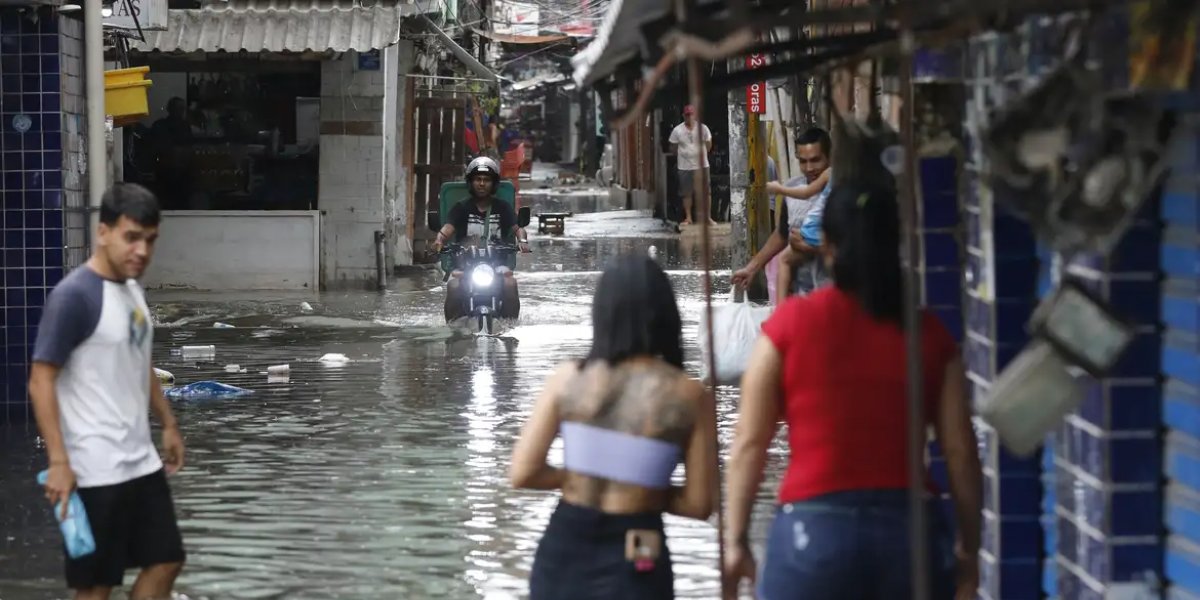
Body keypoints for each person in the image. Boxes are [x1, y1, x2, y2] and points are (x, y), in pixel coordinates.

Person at [720, 183, 983, 600]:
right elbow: (961, 452)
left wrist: (734, 541)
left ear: (824, 244)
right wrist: (969, 546)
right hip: (909, 539)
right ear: (896, 240)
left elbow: (749, 444)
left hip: (812, 539)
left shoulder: (788, 328)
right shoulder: (929, 334)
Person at [510, 255, 718, 600]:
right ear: (666, 314)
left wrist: (581, 476)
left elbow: (522, 473)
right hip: (639, 544)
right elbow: (698, 505)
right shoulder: (689, 395)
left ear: (602, 312)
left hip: (565, 545)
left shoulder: (569, 380)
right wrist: (639, 484)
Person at [29, 183, 187, 600]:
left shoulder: (132, 289)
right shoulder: (74, 297)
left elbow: (141, 362)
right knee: (97, 587)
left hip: (141, 462)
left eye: (150, 240)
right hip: (94, 469)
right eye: (131, 237)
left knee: (167, 560)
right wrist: (59, 462)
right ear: (104, 232)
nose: (142, 251)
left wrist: (167, 424)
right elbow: (40, 379)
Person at [732, 128, 834, 302]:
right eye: (803, 161)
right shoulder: (792, 189)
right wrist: (752, 268)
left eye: (815, 160)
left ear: (829, 157)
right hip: (800, 297)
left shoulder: (844, 191)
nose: (809, 168)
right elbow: (781, 234)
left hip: (835, 296)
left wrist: (814, 248)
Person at [432, 156, 531, 322]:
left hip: (497, 264)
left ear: (494, 184)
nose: (482, 183)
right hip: (466, 265)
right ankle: (452, 328)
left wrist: (522, 241)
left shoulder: (502, 207)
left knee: (510, 284)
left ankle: (511, 325)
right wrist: (439, 241)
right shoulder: (461, 207)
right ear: (471, 182)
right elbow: (447, 229)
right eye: (478, 179)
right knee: (453, 286)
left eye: (486, 180)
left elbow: (518, 228)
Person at [668, 105, 715, 226]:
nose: (689, 117)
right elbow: (673, 147)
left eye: (691, 114)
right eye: (687, 115)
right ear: (684, 116)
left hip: (702, 165)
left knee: (706, 192)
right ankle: (688, 218)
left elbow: (709, 144)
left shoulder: (703, 128)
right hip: (685, 166)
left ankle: (707, 217)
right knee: (686, 193)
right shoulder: (677, 130)